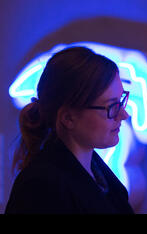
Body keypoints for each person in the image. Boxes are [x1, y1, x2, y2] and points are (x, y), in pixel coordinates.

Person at [5, 46, 135, 214]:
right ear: (68, 118)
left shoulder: (97, 174)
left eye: (121, 100)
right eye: (111, 106)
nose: (123, 114)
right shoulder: (41, 188)